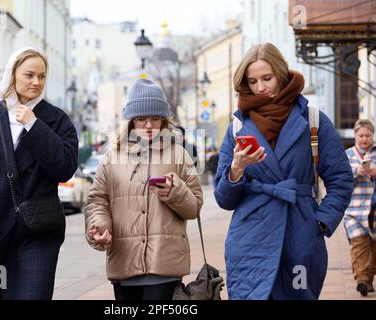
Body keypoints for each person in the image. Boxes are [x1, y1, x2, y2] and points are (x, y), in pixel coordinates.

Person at [214, 42, 353, 300]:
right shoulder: (238, 126)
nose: (260, 87)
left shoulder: (313, 119)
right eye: (252, 81)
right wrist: (237, 169)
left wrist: (320, 222)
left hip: (299, 232)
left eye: (267, 78)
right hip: (249, 240)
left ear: (281, 74)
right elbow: (223, 199)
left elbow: (341, 178)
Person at [0, 47, 79, 300]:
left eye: (42, 76)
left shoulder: (56, 120)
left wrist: (34, 125)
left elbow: (64, 168)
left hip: (37, 233)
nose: (36, 82)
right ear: (12, 75)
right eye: (29, 75)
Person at [85, 78, 203, 300]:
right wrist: (100, 226)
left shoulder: (179, 154)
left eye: (155, 119)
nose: (149, 126)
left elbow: (194, 207)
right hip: (124, 262)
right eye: (141, 119)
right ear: (130, 121)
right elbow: (97, 200)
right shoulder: (112, 156)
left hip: (165, 265)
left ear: (164, 120)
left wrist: (174, 191)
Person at [344, 118, 376, 297]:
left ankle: (369, 279)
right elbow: (340, 179)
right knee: (359, 244)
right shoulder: (347, 155)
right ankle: (362, 280)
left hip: (374, 209)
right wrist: (357, 172)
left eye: (367, 135)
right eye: (360, 135)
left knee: (373, 247)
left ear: (372, 135)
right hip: (354, 210)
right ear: (355, 135)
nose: (364, 139)